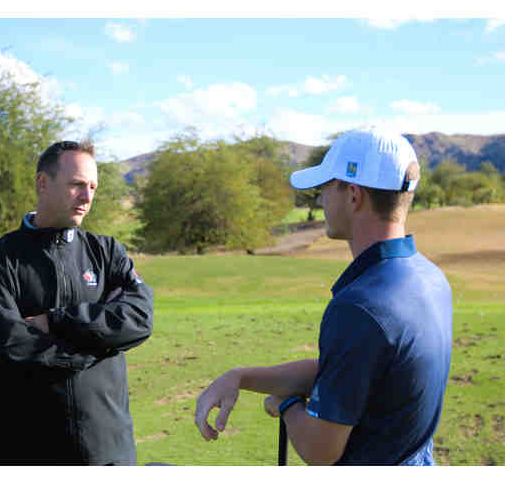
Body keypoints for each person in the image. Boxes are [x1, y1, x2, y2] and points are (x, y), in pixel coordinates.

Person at [194, 126, 453, 465]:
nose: (319, 199)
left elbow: (321, 450)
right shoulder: (430, 278)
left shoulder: (360, 306)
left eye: (324, 188)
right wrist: (241, 376)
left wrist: (286, 404)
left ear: (353, 195)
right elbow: (348, 370)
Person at [0, 140, 154, 466]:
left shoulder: (108, 253)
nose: (87, 198)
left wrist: (55, 322)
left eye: (93, 187)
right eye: (77, 185)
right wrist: (101, 345)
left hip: (107, 449)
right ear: (43, 183)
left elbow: (139, 319)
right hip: (25, 451)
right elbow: (8, 347)